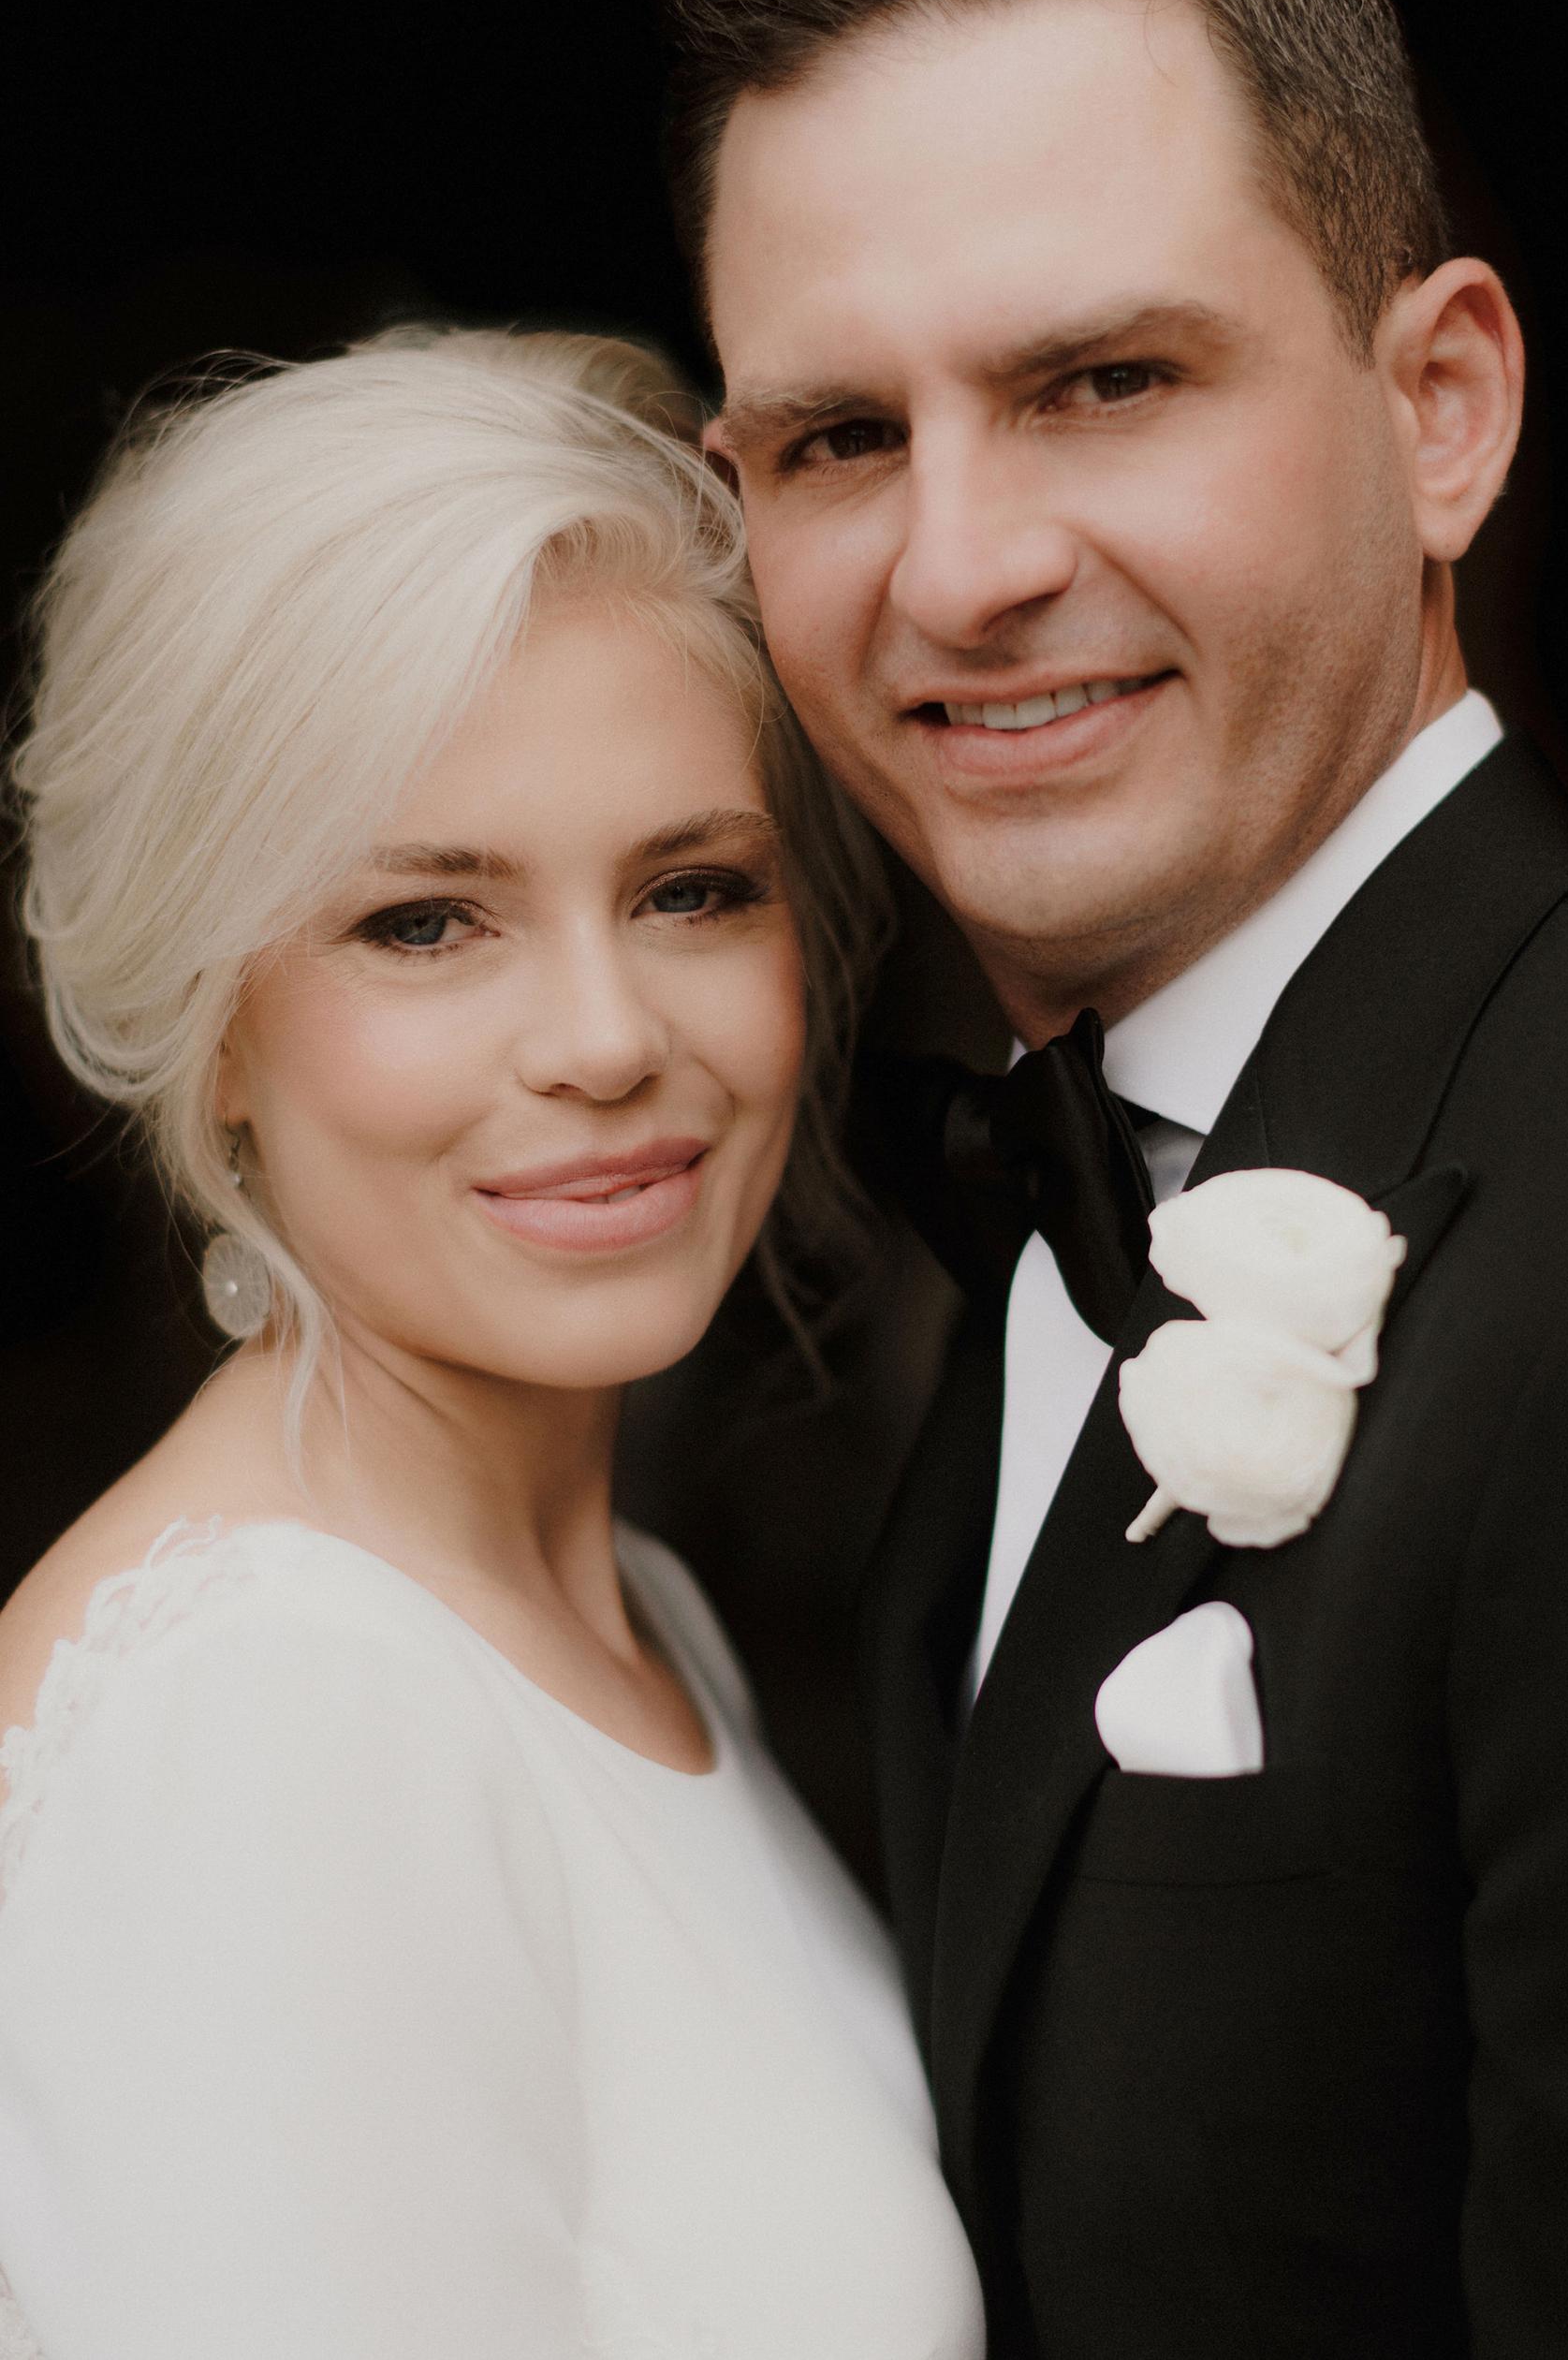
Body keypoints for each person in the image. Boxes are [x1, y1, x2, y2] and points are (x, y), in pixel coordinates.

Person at [661, 0, 1568, 2354]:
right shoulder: (1044, 1222)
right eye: (840, 438)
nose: (958, 567)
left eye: (1103, 381)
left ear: (1443, 409)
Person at [0, 328, 987, 2359]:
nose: (610, 1037)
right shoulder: (271, 1711)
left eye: (692, 889)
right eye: (427, 921)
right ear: (216, 1018)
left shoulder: (622, 1610)